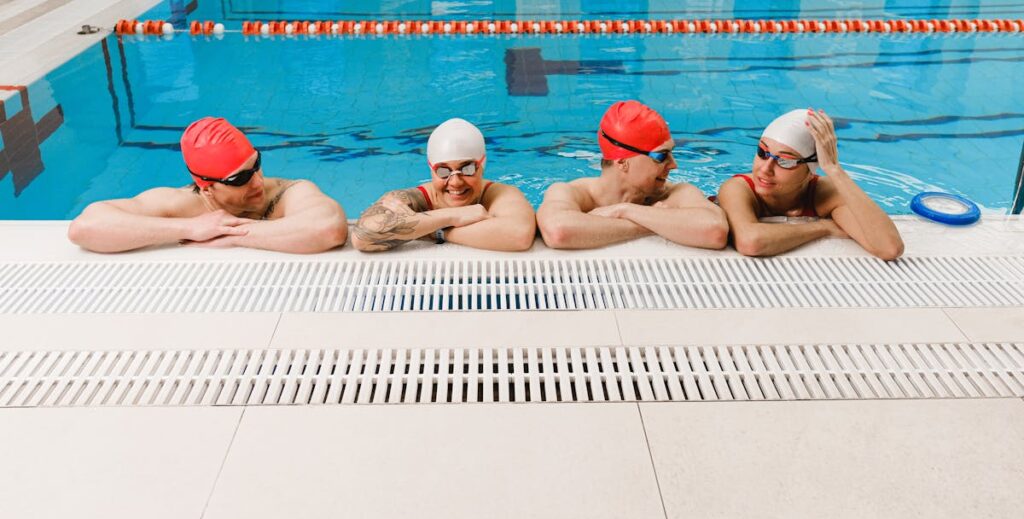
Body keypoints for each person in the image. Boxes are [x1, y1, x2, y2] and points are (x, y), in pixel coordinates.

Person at [67, 117, 348, 253]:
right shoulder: (180, 204)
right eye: (239, 178)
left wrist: (232, 234)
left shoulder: (288, 193)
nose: (257, 181)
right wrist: (189, 228)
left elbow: (329, 229)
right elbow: (85, 227)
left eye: (256, 164)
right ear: (206, 186)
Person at [536, 100, 728, 250]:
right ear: (622, 162)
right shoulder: (572, 193)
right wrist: (652, 222)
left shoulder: (676, 192)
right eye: (661, 156)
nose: (673, 164)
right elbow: (558, 231)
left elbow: (715, 231)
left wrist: (623, 210)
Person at [716, 109, 904, 260]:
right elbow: (750, 242)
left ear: (810, 171)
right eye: (762, 152)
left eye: (785, 161)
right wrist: (823, 227)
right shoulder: (738, 188)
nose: (765, 169)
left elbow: (889, 248)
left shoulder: (824, 193)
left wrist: (833, 169)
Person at [351, 118, 535, 252]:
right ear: (431, 170)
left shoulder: (500, 194)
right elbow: (362, 237)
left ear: (482, 166)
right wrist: (452, 216)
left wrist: (432, 230)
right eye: (443, 171)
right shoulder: (407, 199)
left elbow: (519, 236)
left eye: (467, 169)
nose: (455, 182)